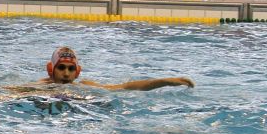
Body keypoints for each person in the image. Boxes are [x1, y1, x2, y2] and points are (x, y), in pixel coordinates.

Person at [21, 46, 195, 91]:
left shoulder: (85, 86)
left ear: (77, 72)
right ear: (51, 69)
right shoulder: (39, 87)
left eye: (71, 69)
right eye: (61, 68)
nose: (66, 73)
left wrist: (165, 81)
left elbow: (126, 87)